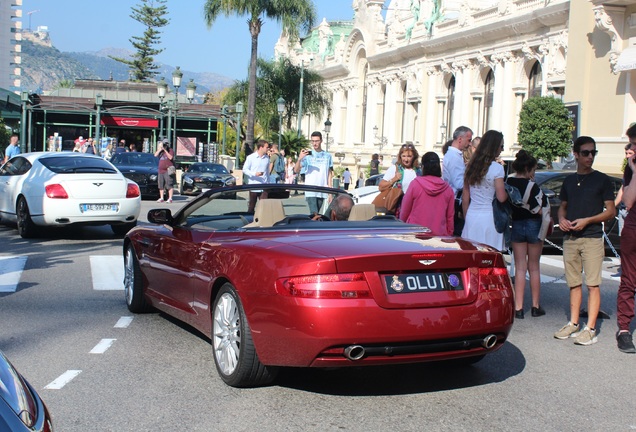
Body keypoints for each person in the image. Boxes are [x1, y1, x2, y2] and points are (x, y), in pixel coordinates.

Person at [553, 136, 615, 346]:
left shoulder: (602, 180)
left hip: (592, 238)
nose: (590, 157)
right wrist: (561, 218)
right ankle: (573, 323)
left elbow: (611, 211)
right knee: (573, 284)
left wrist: (588, 220)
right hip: (570, 237)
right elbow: (563, 205)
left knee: (593, 284)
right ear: (576, 154)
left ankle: (590, 328)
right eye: (586, 153)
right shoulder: (569, 180)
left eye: (593, 153)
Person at [506, 150, 548, 319]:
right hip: (533, 225)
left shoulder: (508, 181)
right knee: (534, 267)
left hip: (516, 224)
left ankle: (518, 307)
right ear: (529, 168)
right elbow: (541, 210)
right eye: (534, 170)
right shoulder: (533, 186)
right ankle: (535, 306)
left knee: (520, 267)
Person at [461, 130, 507, 251]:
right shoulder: (497, 168)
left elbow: (465, 198)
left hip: (472, 214)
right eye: (501, 146)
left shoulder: (470, 166)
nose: (502, 149)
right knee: (490, 255)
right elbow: (501, 197)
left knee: (472, 255)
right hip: (490, 217)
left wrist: (467, 217)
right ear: (494, 147)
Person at [400, 152, 454, 236]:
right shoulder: (448, 190)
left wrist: (402, 228)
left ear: (423, 167)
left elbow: (404, 211)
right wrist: (449, 234)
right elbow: (450, 217)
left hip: (415, 235)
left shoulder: (415, 185)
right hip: (438, 236)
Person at [617, 137, 636, 353]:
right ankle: (623, 330)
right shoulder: (631, 170)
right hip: (633, 227)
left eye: (633, 143)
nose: (630, 148)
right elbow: (628, 201)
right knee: (629, 281)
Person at [295, 131, 333, 216]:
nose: (314, 143)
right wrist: (299, 159)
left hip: (322, 189)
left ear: (321, 141)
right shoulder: (307, 155)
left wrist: (330, 192)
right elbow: (296, 170)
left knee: (317, 214)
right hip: (310, 189)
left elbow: (329, 174)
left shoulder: (327, 156)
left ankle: (313, 227)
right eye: (313, 141)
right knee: (314, 213)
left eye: (316, 141)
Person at [442, 126, 473, 194]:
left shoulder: (454, 155)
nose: (470, 144)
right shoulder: (454, 157)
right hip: (455, 198)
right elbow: (459, 184)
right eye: (469, 140)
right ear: (460, 139)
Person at [243, 140, 270, 213]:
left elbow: (267, 172)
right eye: (267, 147)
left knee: (264, 207)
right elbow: (245, 169)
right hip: (253, 185)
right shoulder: (251, 157)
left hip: (264, 186)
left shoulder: (267, 158)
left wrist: (268, 183)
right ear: (261, 147)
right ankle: (250, 220)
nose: (268, 149)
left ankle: (263, 222)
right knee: (251, 206)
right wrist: (254, 173)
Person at [154, 139, 175, 203]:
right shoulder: (161, 151)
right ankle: (161, 198)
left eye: (166, 144)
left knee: (169, 184)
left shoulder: (170, 150)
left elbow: (170, 157)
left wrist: (165, 150)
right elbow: (155, 155)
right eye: (164, 144)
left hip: (168, 170)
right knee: (161, 185)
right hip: (161, 170)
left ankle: (170, 198)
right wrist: (160, 149)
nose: (165, 145)